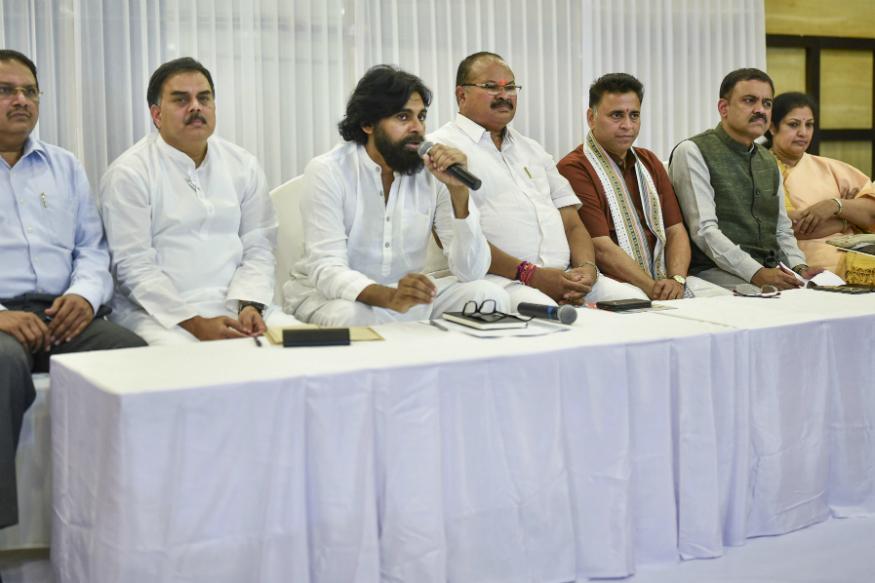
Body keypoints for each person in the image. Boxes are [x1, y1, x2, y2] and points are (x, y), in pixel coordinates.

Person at [0, 50, 145, 534]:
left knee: (134, 354)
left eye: (29, 91)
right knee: (1, 363)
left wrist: (84, 296)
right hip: (2, 323)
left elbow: (92, 248)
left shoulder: (63, 167)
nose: (20, 100)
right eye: (6, 90)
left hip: (64, 314)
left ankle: (126, 521)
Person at [284, 65, 508, 326]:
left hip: (402, 301)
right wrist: (388, 297)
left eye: (421, 116)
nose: (417, 128)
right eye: (403, 117)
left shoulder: (433, 172)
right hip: (335, 300)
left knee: (489, 296)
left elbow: (471, 271)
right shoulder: (329, 171)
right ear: (368, 124)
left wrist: (459, 193)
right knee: (355, 318)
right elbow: (328, 270)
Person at [100, 57, 298, 345]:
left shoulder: (242, 165)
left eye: (203, 98)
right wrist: (196, 324)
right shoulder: (129, 173)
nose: (195, 107)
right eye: (181, 100)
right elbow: (134, 266)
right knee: (189, 362)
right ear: (156, 115)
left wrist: (249, 305)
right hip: (160, 317)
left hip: (236, 306)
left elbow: (259, 246)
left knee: (302, 347)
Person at [430, 52, 645, 309]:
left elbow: (573, 224)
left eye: (510, 87)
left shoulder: (531, 149)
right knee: (551, 315)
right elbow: (456, 240)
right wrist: (532, 275)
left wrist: (586, 270)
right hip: (503, 281)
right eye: (491, 87)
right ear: (461, 95)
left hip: (566, 276)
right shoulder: (442, 150)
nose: (504, 95)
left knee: (637, 303)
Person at [558, 73, 727, 299]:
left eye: (634, 115)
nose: (627, 125)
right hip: (610, 282)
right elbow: (600, 247)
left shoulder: (648, 161)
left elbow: (675, 230)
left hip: (664, 280)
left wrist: (676, 279)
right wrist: (652, 288)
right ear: (591, 118)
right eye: (616, 115)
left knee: (727, 301)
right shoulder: (574, 168)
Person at [669, 68, 816, 290]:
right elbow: (705, 231)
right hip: (714, 274)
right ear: (723, 108)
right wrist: (756, 273)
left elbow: (781, 230)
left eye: (767, 103)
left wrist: (799, 268)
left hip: (770, 271)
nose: (760, 110)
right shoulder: (693, 151)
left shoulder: (767, 159)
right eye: (749, 101)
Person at [765, 91, 875, 276]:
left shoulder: (830, 167)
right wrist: (846, 217)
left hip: (859, 257)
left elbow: (871, 214)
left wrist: (834, 205)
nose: (803, 132)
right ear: (772, 127)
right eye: (793, 125)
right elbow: (792, 228)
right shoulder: (761, 169)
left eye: (809, 125)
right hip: (803, 264)